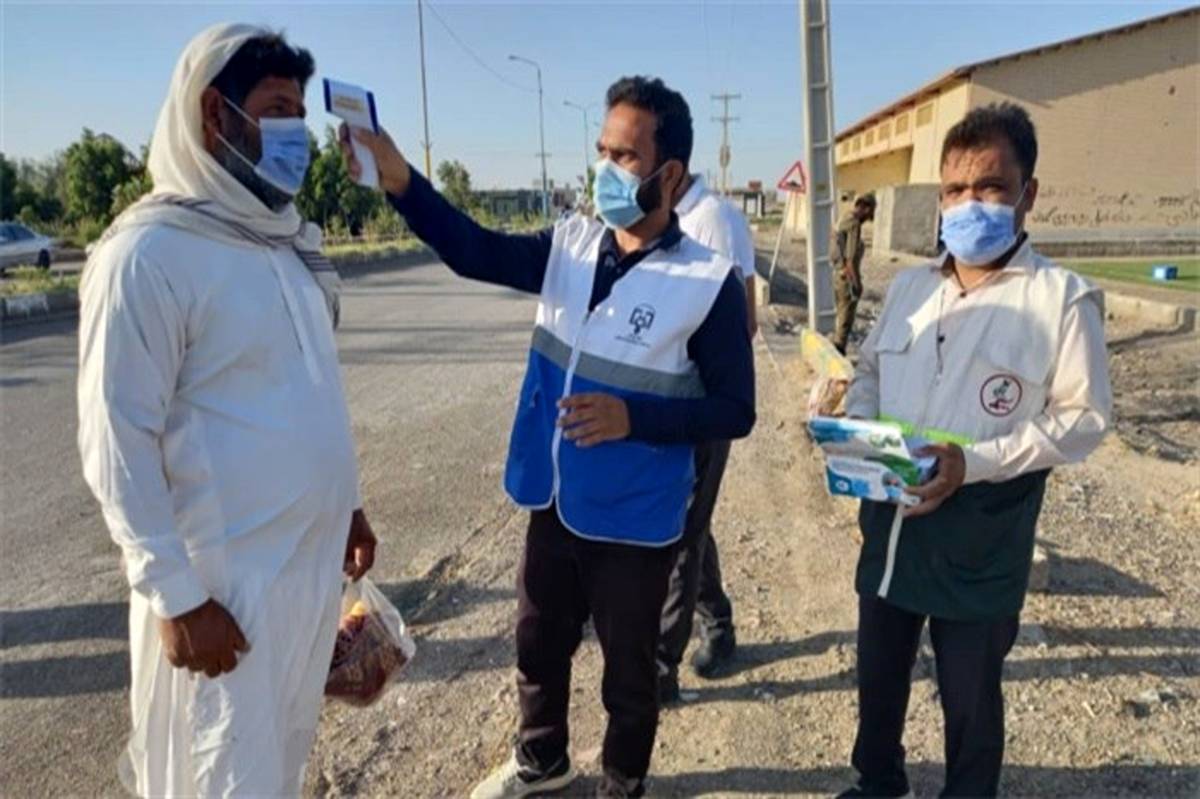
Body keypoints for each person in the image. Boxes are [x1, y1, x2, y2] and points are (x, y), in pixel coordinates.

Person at [342, 75, 755, 799]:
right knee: (537, 644)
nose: (604, 169)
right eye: (601, 150)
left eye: (624, 156)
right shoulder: (571, 244)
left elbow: (735, 410)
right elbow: (474, 250)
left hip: (635, 520)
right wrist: (403, 183)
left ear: (670, 175)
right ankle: (543, 761)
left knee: (630, 676)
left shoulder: (706, 282)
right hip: (553, 499)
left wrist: (635, 418)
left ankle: (622, 784)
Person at [77, 24, 376, 796]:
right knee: (219, 781)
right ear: (215, 114)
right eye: (277, 111)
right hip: (223, 602)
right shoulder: (147, 255)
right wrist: (175, 597)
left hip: (301, 582)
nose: (297, 136)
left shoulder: (284, 246)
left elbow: (312, 393)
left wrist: (347, 505)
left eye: (300, 115)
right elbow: (116, 438)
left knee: (276, 770)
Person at [838, 102, 1112, 798]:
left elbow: (1084, 418)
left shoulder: (1061, 300)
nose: (970, 205)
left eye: (990, 187)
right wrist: (859, 428)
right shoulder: (910, 288)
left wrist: (976, 462)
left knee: (970, 699)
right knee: (879, 675)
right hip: (893, 523)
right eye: (955, 190)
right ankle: (877, 782)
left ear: (1027, 194)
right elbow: (869, 370)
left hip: (981, 536)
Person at [655, 173, 756, 703]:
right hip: (665, 404)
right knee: (690, 524)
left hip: (701, 405)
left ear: (668, 167)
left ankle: (660, 667)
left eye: (627, 157)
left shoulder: (712, 221)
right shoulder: (664, 221)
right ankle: (718, 622)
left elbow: (742, 321)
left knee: (684, 533)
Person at [831, 193, 876, 355]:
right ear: (866, 208)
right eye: (869, 215)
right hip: (846, 278)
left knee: (840, 315)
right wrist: (857, 284)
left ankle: (836, 348)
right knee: (846, 319)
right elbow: (850, 260)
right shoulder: (854, 223)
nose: (868, 219)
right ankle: (838, 352)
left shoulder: (843, 218)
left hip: (837, 275)